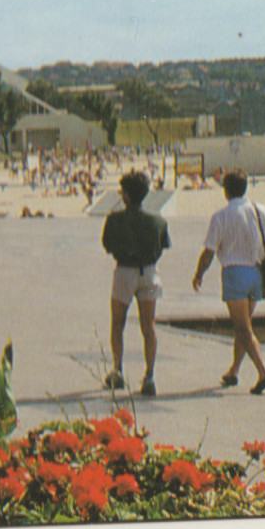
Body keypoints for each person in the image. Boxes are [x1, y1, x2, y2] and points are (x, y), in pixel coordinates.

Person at [192, 169, 265, 394]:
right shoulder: (262, 211)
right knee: (244, 326)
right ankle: (233, 372)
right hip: (257, 273)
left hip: (234, 273)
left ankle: (263, 372)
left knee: (242, 328)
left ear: (226, 190)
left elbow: (209, 251)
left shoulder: (221, 216)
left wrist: (199, 273)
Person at [100, 170, 169, 396]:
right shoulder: (158, 220)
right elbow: (162, 246)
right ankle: (149, 375)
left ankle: (117, 370)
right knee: (148, 326)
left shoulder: (114, 219)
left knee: (117, 322)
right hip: (149, 271)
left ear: (126, 194)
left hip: (125, 271)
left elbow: (108, 246)